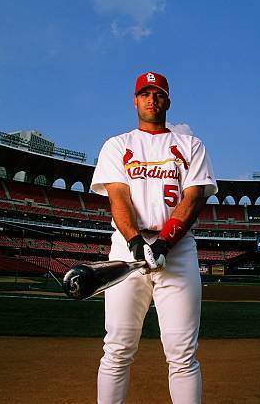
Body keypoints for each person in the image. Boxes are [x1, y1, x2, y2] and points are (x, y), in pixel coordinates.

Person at [91, 71, 218, 404]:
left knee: (181, 353)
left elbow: (192, 200)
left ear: (167, 101)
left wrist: (163, 243)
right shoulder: (117, 145)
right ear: (135, 100)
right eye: (145, 93)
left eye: (158, 93)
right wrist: (136, 242)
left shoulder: (191, 145)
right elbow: (118, 197)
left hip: (176, 251)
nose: (151, 99)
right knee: (117, 346)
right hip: (126, 251)